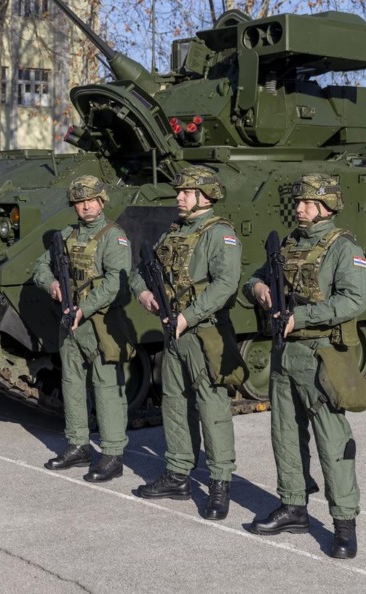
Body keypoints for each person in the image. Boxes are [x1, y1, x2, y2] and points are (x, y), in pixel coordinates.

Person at [245, 173, 366, 560]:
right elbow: (253, 279)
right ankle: (294, 507)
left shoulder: (343, 249)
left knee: (332, 442)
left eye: (307, 203)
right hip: (284, 355)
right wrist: (258, 289)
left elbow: (354, 301)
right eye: (298, 202)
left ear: (327, 207)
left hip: (320, 355)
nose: (299, 208)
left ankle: (344, 524)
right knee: (285, 435)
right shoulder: (289, 244)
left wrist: (305, 315)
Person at [131, 166, 245, 520]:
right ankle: (178, 475)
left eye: (186, 192)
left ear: (206, 196)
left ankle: (220, 483)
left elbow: (225, 285)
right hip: (174, 330)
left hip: (204, 331)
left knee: (212, 409)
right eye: (179, 191)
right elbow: (140, 271)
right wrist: (144, 294)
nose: (178, 197)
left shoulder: (220, 234)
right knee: (174, 404)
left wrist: (187, 317)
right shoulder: (175, 231)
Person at [32, 175, 133, 483]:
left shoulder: (113, 237)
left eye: (91, 200)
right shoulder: (66, 235)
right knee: (72, 384)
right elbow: (40, 265)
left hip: (101, 323)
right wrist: (50, 284)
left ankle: (112, 455)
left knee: (106, 389)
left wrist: (84, 308)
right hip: (70, 322)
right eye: (80, 202)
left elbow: (117, 282)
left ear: (102, 202)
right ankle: (77, 445)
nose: (86, 206)